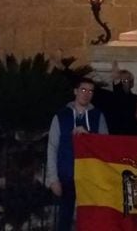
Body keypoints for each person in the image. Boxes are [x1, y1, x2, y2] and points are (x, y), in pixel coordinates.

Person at [46, 77, 109, 231]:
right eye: (83, 90)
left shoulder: (98, 116)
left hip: (90, 179)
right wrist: (53, 179)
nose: (86, 94)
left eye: (90, 91)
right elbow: (53, 147)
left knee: (90, 220)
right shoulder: (61, 116)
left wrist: (88, 137)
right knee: (64, 220)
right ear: (75, 91)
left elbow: (105, 146)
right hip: (66, 176)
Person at [92, 60, 137, 133]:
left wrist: (117, 83)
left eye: (125, 81)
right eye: (120, 81)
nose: (122, 83)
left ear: (131, 83)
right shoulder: (106, 97)